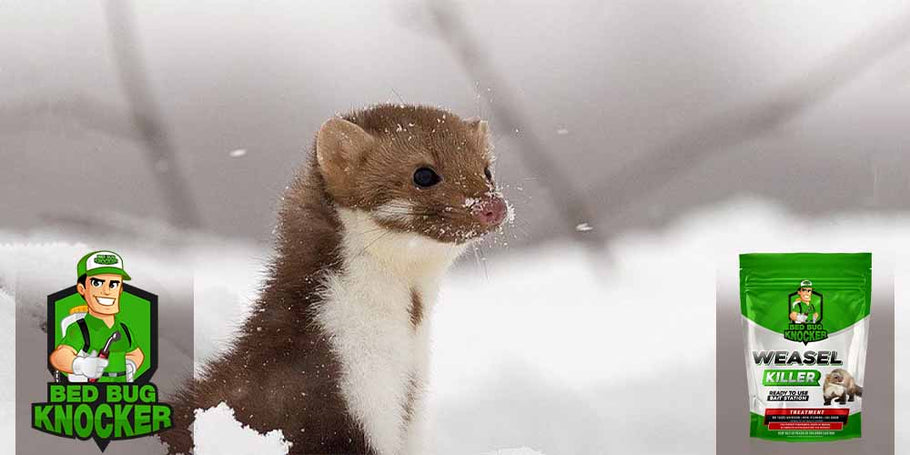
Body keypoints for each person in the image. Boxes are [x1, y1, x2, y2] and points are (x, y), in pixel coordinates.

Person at [49, 251, 144, 382]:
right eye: (97, 283)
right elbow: (59, 356)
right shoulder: (80, 329)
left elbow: (136, 353)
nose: (107, 291)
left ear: (120, 289)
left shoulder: (124, 329)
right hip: (90, 394)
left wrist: (131, 364)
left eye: (113, 284)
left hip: (121, 396)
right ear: (82, 289)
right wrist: (80, 365)